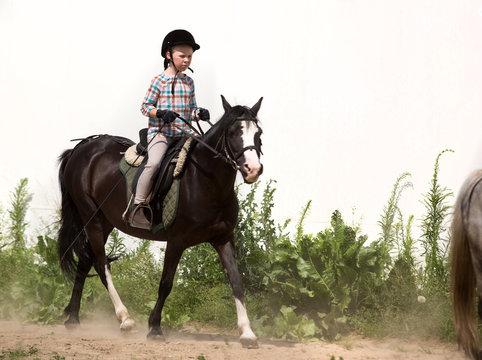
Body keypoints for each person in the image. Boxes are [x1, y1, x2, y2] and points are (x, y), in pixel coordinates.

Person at [129, 29, 210, 230]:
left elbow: (191, 110)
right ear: (168, 55)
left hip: (184, 134)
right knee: (154, 163)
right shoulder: (159, 81)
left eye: (190, 56)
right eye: (182, 56)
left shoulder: (189, 82)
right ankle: (138, 205)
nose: (187, 60)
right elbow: (145, 107)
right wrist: (160, 113)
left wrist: (199, 113)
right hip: (162, 134)